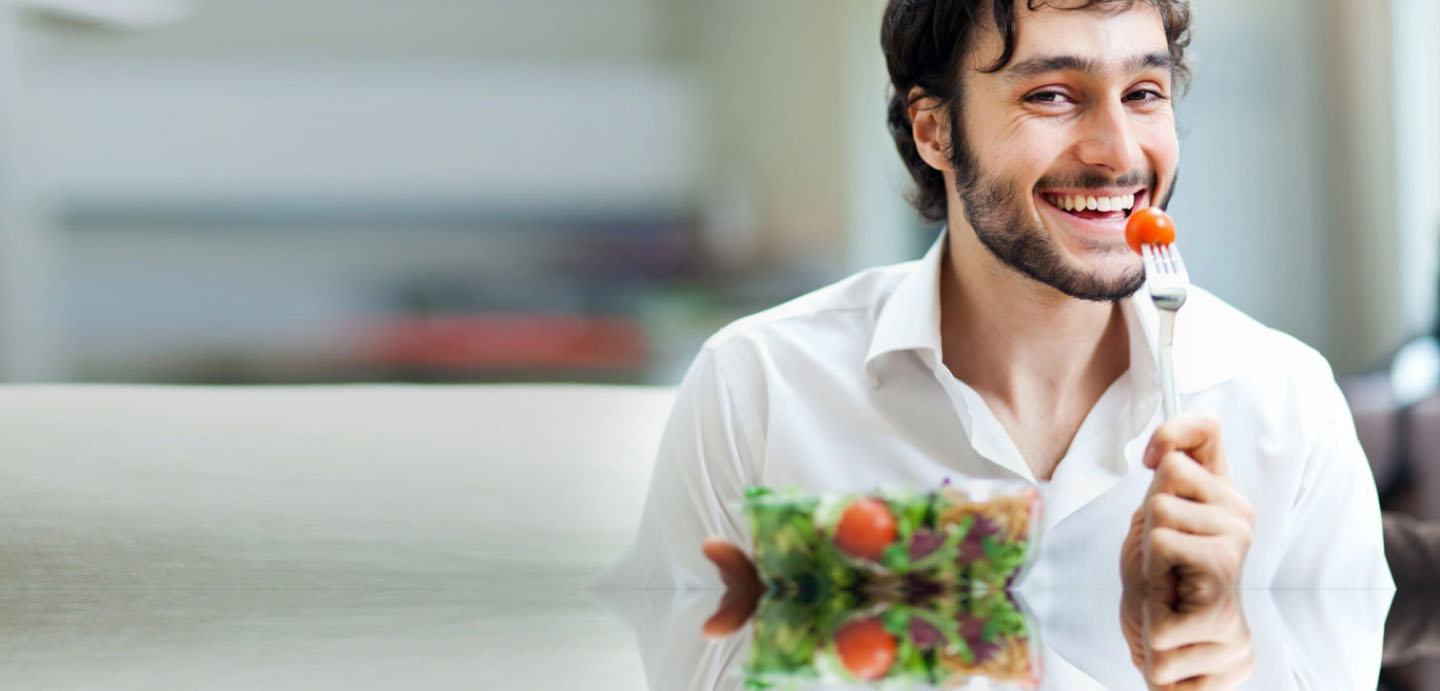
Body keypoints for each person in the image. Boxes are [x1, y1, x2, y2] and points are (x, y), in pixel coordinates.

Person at [598, 0, 1392, 605]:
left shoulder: (1289, 405)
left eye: (1144, 92)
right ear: (934, 131)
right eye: (1051, 95)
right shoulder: (759, 389)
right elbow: (669, 657)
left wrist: (1228, 622)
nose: (1119, 151)